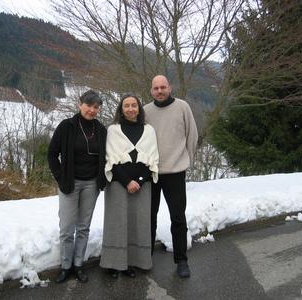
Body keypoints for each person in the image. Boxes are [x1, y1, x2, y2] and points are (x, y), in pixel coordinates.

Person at [47, 90, 107, 283]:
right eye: (88, 105)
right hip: (70, 183)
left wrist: (102, 179)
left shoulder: (100, 130)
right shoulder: (67, 126)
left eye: (95, 107)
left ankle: (78, 264)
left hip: (92, 184)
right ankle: (65, 266)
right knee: (66, 228)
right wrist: (60, 176)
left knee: (83, 227)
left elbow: (107, 156)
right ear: (80, 104)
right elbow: (52, 154)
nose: (91, 110)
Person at [144, 75, 198, 278]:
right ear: (151, 90)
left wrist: (187, 160)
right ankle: (146, 257)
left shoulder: (182, 107)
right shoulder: (146, 111)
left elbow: (192, 136)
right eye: (156, 88)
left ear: (170, 87)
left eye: (163, 87)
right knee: (149, 218)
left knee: (178, 218)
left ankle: (181, 260)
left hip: (175, 172)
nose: (160, 91)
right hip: (152, 173)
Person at [100, 93, 159, 279]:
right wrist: (127, 181)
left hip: (142, 186)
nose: (131, 109)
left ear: (139, 108)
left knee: (137, 224)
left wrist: (140, 181)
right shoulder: (113, 130)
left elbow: (153, 160)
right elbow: (110, 160)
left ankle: (130, 263)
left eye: (134, 105)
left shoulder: (149, 130)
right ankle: (112, 263)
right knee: (117, 224)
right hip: (118, 184)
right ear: (121, 109)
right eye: (127, 105)